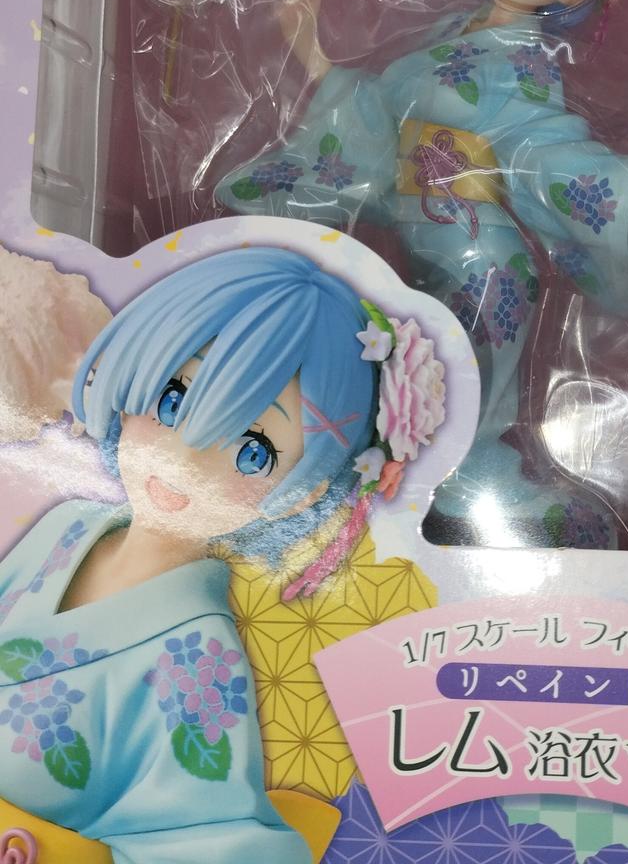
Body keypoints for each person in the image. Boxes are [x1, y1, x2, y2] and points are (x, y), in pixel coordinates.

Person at [210, 0, 628, 548]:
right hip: (426, 242)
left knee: (465, 380)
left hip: (486, 262)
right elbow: (378, 113)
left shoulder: (527, 66)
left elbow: (557, 158)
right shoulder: (452, 31)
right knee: (407, 365)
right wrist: (310, 49)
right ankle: (393, 477)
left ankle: (471, 490)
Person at [0, 246, 445, 863]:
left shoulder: (197, 661)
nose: (184, 458)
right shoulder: (67, 527)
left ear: (304, 491)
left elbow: (206, 841)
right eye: (173, 401)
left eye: (253, 451)